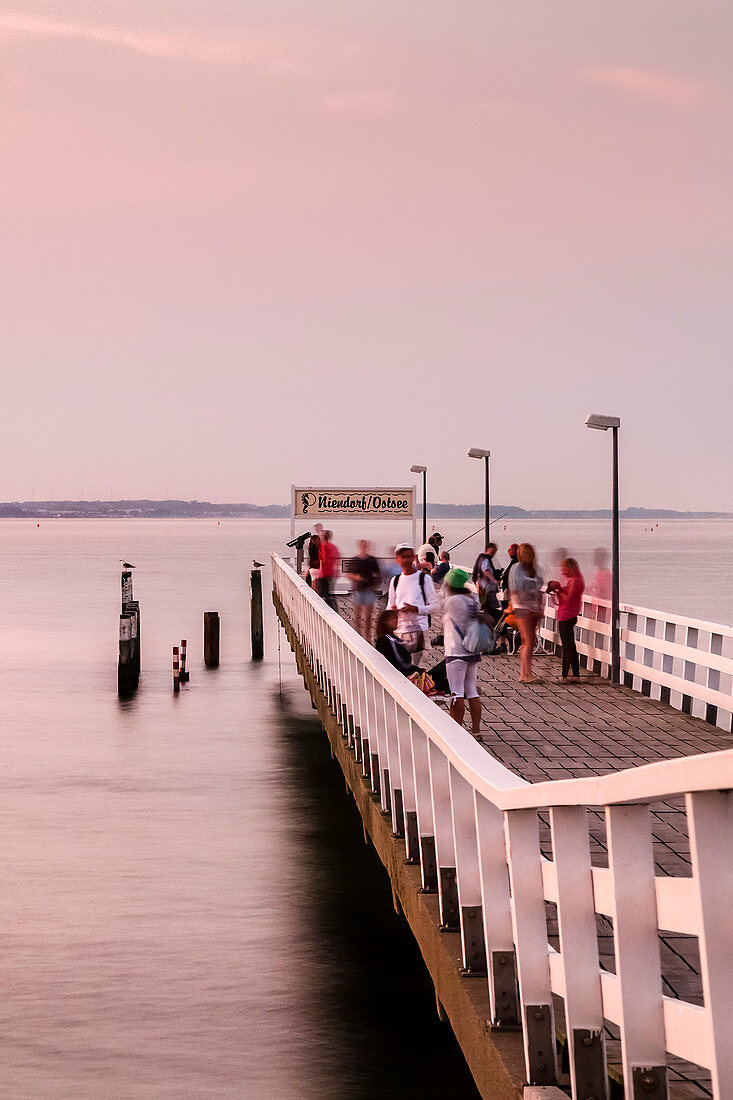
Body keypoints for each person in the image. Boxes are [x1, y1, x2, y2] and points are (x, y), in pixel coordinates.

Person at [441, 567, 493, 742]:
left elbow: (437, 606)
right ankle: (476, 730)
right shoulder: (473, 599)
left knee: (456, 692)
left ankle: (456, 731)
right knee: (472, 690)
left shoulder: (451, 601)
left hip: (455, 650)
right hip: (472, 649)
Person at [387, 542, 439, 665]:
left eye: (408, 556)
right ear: (397, 559)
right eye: (402, 557)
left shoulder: (424, 579)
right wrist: (393, 611)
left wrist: (416, 609)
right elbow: (390, 605)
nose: (405, 560)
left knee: (414, 670)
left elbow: (435, 606)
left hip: (418, 631)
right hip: (400, 631)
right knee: (400, 669)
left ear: (413, 557)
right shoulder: (395, 580)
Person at [509, 543, 545, 684]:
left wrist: (540, 609)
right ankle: (527, 673)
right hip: (523, 609)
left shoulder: (535, 569)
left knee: (527, 641)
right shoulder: (517, 568)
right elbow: (515, 589)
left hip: (534, 607)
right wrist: (517, 605)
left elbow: (539, 588)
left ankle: (524, 673)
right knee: (529, 641)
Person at [547, 558, 585, 682]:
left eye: (564, 569)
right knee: (571, 646)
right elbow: (566, 596)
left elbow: (568, 599)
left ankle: (564, 675)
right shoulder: (573, 581)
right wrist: (558, 590)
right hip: (567, 614)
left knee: (567, 646)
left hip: (567, 615)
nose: (563, 572)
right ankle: (575, 675)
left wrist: (558, 589)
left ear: (570, 568)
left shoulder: (575, 581)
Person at [347, 539, 381, 641]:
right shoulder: (355, 560)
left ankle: (367, 636)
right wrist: (357, 578)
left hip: (369, 590)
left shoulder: (372, 560)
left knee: (368, 616)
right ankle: (358, 635)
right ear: (359, 546)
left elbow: (378, 575)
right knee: (357, 614)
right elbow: (349, 575)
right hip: (358, 590)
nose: (364, 547)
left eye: (365, 546)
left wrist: (374, 586)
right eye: (362, 545)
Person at [374, 610, 421, 676]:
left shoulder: (392, 638)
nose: (397, 620)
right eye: (394, 618)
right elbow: (400, 663)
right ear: (385, 622)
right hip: (402, 676)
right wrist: (417, 670)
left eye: (397, 617)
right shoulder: (385, 640)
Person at [472, 542, 501, 620]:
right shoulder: (485, 559)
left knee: (486, 608)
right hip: (487, 589)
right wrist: (494, 580)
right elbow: (485, 570)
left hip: (483, 588)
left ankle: (487, 623)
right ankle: (490, 624)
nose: (494, 554)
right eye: (493, 551)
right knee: (489, 608)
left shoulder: (481, 559)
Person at [318, 530, 341, 611]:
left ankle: (329, 610)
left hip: (324, 573)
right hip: (331, 572)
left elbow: (323, 560)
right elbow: (338, 557)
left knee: (324, 593)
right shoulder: (333, 547)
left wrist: (321, 571)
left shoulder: (324, 546)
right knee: (329, 593)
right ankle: (334, 608)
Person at [499, 543, 518, 608]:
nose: (508, 551)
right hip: (507, 588)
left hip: (510, 590)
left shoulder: (516, 562)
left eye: (510, 549)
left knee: (507, 607)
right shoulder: (513, 561)